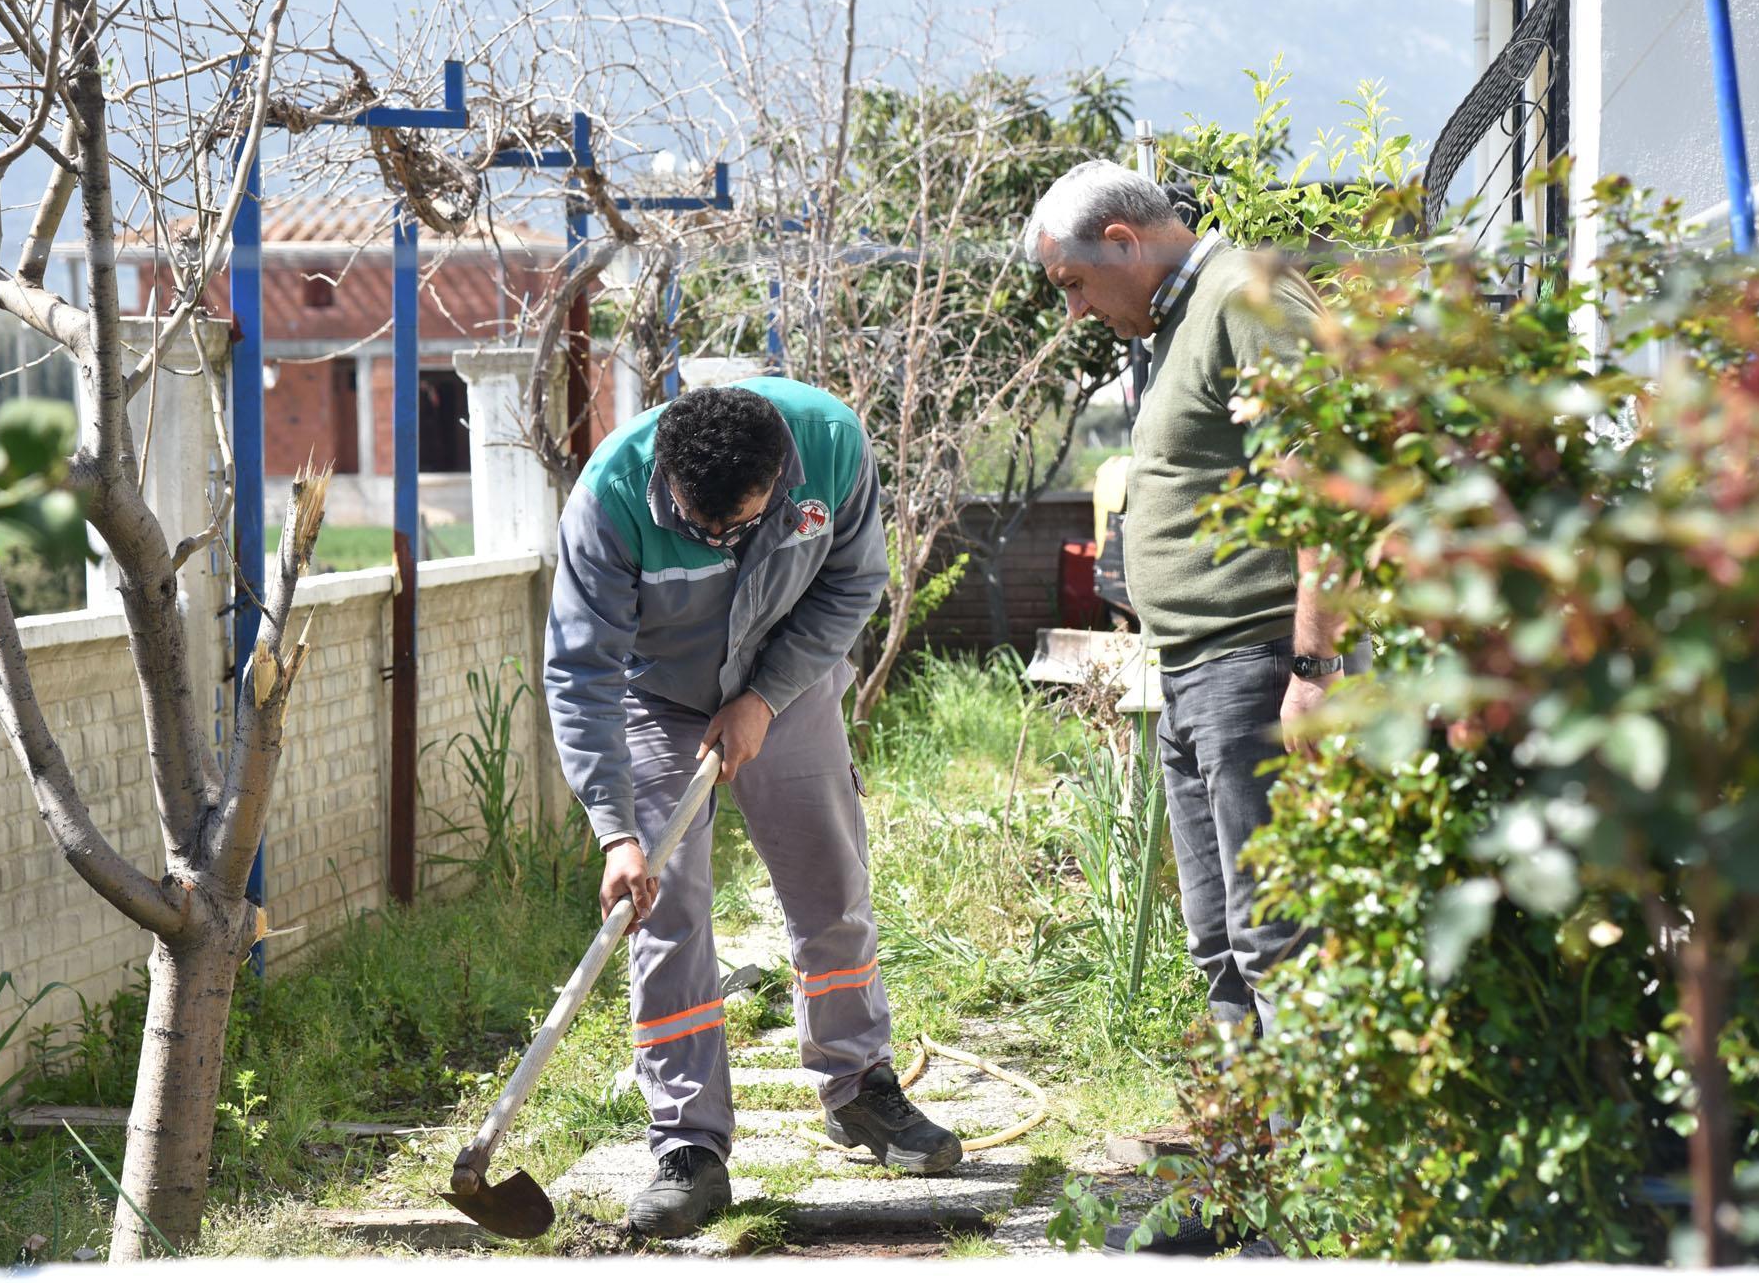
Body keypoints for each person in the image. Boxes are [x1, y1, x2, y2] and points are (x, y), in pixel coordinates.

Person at [1022, 161, 1359, 1256]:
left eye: (1073, 284)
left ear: (1122, 241)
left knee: (1277, 937)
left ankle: (1317, 1203)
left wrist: (1315, 670)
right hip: (1191, 667)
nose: (1071, 311)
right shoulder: (1172, 322)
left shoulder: (1246, 298)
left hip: (1259, 666)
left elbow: (1327, 481)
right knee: (1218, 939)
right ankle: (1240, 1176)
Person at [544, 380, 962, 1239]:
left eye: (742, 524)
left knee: (829, 880)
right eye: (704, 530)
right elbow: (581, 672)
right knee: (665, 910)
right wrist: (617, 832)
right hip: (658, 698)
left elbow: (853, 584)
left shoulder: (833, 447)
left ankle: (860, 1088)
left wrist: (765, 696)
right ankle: (689, 1144)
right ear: (669, 481)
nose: (721, 539)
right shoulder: (612, 497)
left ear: (781, 475)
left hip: (788, 682)